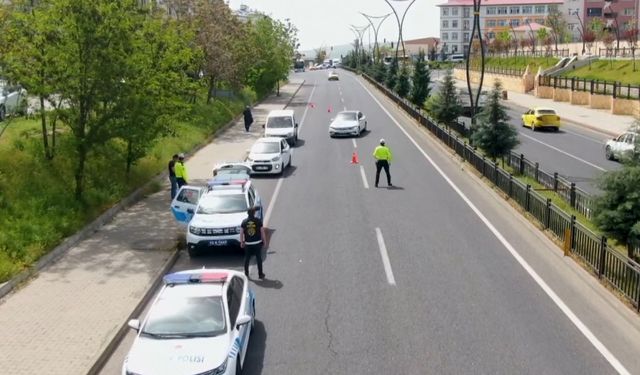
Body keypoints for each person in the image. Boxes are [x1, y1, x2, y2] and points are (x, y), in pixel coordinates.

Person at [240, 207, 268, 279]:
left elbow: (241, 233)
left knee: (247, 258)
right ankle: (260, 274)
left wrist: (241, 242)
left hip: (248, 244)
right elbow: (262, 232)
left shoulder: (244, 222)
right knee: (259, 258)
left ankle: (246, 273)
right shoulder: (258, 221)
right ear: (254, 213)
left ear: (247, 213)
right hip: (257, 243)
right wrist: (265, 242)